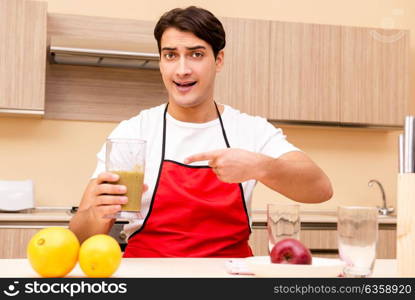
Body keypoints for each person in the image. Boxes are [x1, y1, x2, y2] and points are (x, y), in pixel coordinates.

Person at [69, 6, 333, 257]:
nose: (182, 70)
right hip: (148, 274)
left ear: (218, 60)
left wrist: (260, 166)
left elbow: (320, 189)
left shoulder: (250, 130)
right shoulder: (133, 132)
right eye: (170, 55)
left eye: (196, 54)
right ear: (161, 62)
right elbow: (79, 241)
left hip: (229, 275)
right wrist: (95, 212)